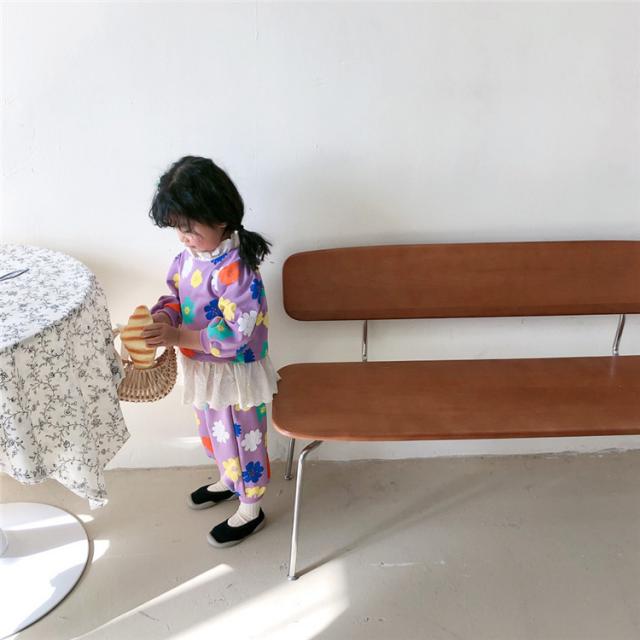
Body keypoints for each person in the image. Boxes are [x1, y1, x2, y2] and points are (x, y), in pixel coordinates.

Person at [143, 155, 279, 547]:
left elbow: (237, 333)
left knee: (242, 435)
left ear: (220, 218)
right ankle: (226, 479)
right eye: (178, 229)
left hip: (234, 371)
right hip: (204, 367)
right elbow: (175, 296)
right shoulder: (188, 259)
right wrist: (165, 317)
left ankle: (251, 505)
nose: (183, 237)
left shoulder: (237, 270)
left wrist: (178, 336)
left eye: (190, 229)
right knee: (213, 430)